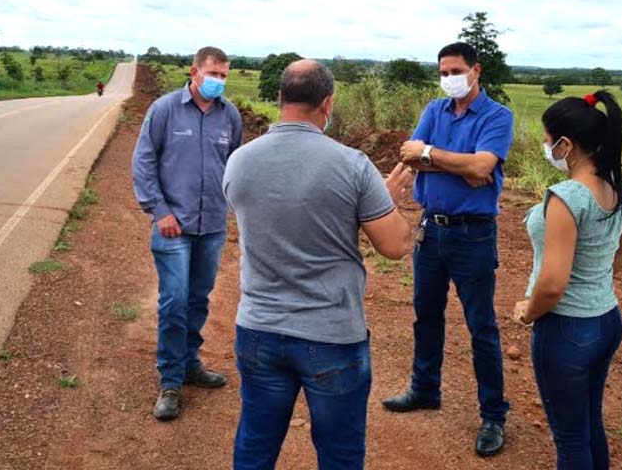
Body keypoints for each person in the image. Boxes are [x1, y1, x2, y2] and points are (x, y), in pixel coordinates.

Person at [223, 59, 415, 470]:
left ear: (280, 98)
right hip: (331, 334)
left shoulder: (239, 160)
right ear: (328, 102)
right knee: (340, 452)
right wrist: (386, 201)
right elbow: (395, 245)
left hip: (258, 327)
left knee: (255, 443)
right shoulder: (352, 165)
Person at [382, 42, 514, 458]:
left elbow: (481, 168)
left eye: (455, 70)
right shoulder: (434, 110)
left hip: (473, 234)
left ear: (476, 70)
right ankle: (425, 389)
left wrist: (431, 156)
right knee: (426, 315)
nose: (449, 78)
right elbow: (409, 156)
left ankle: (493, 415)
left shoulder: (497, 116)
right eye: (443, 72)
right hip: (431, 230)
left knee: (481, 326)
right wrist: (458, 163)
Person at [512, 91, 622, 470]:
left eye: (547, 140)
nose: (546, 147)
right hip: (606, 321)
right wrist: (595, 283)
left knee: (570, 441)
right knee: (588, 422)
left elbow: (553, 284)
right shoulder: (614, 186)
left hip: (566, 330)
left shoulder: (566, 197)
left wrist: (529, 311)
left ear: (566, 145)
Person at [132, 46, 243, 421]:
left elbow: (235, 165)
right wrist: (159, 210)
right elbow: (144, 161)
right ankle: (170, 381)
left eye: (224, 75)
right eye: (213, 74)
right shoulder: (164, 109)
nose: (218, 81)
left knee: (198, 299)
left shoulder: (230, 116)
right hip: (172, 225)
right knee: (174, 301)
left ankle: (190, 362)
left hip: (212, 224)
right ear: (194, 72)